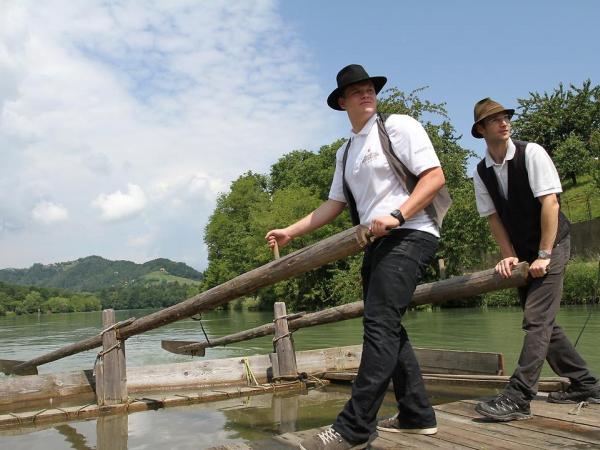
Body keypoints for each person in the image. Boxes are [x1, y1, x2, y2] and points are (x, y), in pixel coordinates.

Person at [265, 64, 447, 450]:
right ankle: (417, 415)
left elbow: (434, 178)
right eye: (356, 90)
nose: (366, 94)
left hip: (411, 233)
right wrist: (290, 231)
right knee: (388, 326)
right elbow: (333, 204)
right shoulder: (345, 152)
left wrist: (398, 215)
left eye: (370, 88)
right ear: (342, 102)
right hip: (375, 243)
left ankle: (353, 428)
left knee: (379, 327)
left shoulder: (399, 126)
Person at [471, 97, 600, 422]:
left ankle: (519, 396)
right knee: (544, 323)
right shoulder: (481, 171)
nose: (504, 122)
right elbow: (494, 220)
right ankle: (586, 383)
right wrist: (510, 256)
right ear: (481, 129)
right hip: (526, 252)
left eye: (506, 117)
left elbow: (551, 204)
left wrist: (544, 253)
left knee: (537, 319)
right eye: (495, 119)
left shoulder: (532, 153)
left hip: (553, 244)